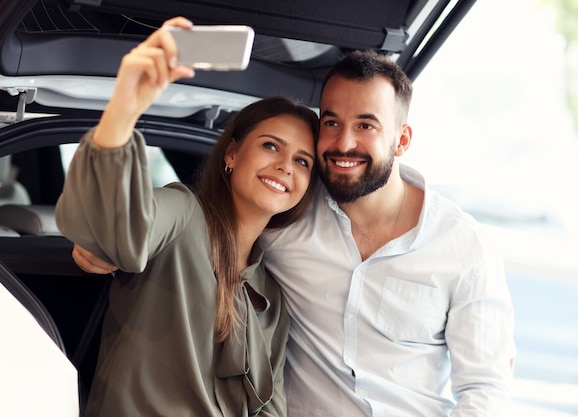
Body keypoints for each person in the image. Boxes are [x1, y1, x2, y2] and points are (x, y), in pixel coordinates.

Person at [72, 49, 516, 416]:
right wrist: (105, 232)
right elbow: (131, 225)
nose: (343, 144)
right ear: (231, 153)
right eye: (331, 122)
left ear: (401, 140)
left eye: (366, 125)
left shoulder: (463, 246)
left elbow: (486, 389)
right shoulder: (237, 214)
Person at [55, 16, 319, 417]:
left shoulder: (271, 298)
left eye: (303, 161)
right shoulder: (182, 212)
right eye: (271, 146)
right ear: (231, 153)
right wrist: (125, 105)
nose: (286, 166)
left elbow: (271, 408)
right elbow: (112, 229)